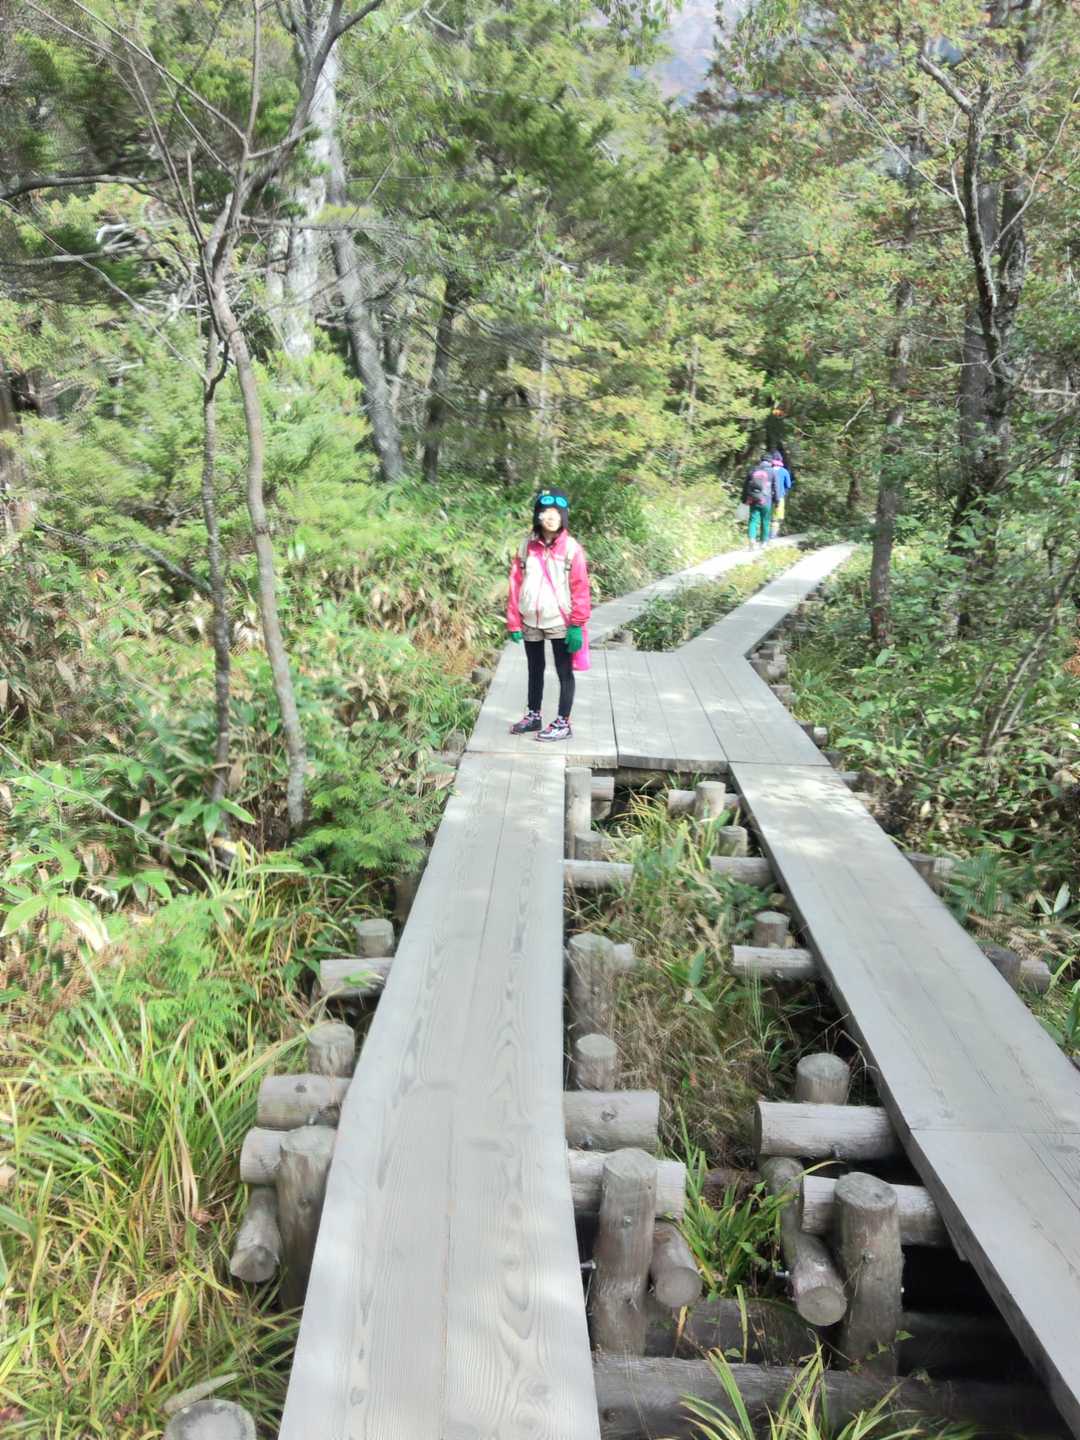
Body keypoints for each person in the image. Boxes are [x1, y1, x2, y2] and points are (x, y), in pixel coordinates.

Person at [506, 489, 592, 741]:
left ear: (563, 516)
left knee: (564, 672)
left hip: (560, 621)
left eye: (556, 512)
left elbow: (581, 588)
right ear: (538, 516)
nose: (551, 517)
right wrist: (513, 621)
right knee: (535, 669)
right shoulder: (526, 546)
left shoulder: (571, 548)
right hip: (530, 619)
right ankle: (534, 715)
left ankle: (563, 723)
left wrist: (577, 624)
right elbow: (515, 583)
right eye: (545, 512)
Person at [742, 457, 779, 549]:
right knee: (765, 520)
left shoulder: (753, 470)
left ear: (760, 461)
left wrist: (744, 499)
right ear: (770, 462)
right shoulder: (772, 472)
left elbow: (745, 486)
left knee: (753, 520)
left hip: (753, 499)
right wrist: (776, 500)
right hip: (766, 500)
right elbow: (775, 487)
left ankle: (752, 539)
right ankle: (764, 542)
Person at [769, 451, 792, 536]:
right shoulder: (784, 471)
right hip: (780, 496)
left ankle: (765, 535)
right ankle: (773, 535)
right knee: (776, 517)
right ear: (781, 460)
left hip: (768, 497)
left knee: (767, 516)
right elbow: (788, 485)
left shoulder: (769, 470)